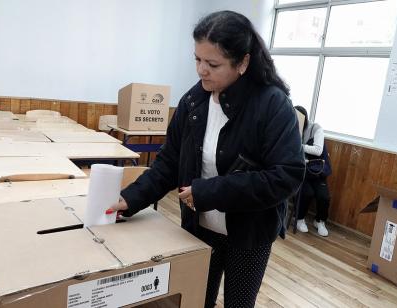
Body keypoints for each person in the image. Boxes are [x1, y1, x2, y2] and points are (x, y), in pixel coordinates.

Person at [108, 10, 305, 308]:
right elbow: (169, 162)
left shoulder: (272, 105)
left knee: (238, 304)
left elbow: (286, 176)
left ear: (243, 63)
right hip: (199, 229)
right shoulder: (193, 101)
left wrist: (208, 192)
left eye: (213, 64)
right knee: (196, 300)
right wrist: (131, 198)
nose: (202, 70)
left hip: (250, 233)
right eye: (197, 60)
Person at [294, 105, 331, 237]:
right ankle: (299, 218)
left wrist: (299, 146)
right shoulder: (292, 128)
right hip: (303, 170)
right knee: (307, 193)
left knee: (324, 197)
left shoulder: (316, 128)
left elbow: (318, 150)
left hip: (317, 169)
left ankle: (320, 221)